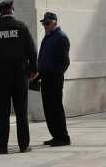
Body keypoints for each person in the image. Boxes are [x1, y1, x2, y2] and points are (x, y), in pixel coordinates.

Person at [0, 0, 36, 154]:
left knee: (2, 112)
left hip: (0, 76)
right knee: (21, 111)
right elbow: (31, 49)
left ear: (1, 12)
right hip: (20, 75)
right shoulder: (21, 27)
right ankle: (24, 145)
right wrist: (34, 68)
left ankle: (2, 146)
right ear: (12, 10)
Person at [36, 12, 71, 147]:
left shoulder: (61, 37)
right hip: (45, 77)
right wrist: (38, 74)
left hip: (54, 78)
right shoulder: (48, 37)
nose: (45, 26)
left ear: (55, 22)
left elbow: (65, 62)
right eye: (43, 23)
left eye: (47, 23)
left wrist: (55, 74)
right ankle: (55, 135)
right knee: (48, 109)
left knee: (55, 108)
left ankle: (63, 137)